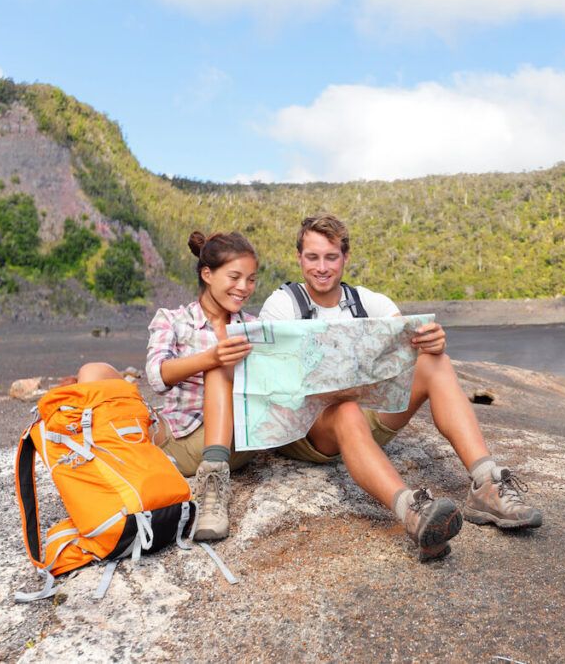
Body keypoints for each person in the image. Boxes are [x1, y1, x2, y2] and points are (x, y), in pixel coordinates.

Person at [259, 214, 542, 560]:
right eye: (312, 257)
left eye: (331, 257)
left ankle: (487, 483)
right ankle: (410, 509)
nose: (321, 267)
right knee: (345, 409)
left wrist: (432, 342)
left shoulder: (368, 302)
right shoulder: (281, 305)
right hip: (311, 429)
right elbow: (269, 381)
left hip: (364, 419)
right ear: (299, 258)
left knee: (435, 363)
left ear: (345, 258)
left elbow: (408, 345)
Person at [139, 229, 258, 541]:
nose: (244, 288)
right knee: (96, 372)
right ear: (207, 274)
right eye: (235, 277)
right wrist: (210, 357)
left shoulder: (253, 327)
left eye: (251, 279)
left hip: (236, 439)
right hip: (183, 435)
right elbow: (157, 375)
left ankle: (213, 492)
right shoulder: (173, 320)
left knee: (221, 366)